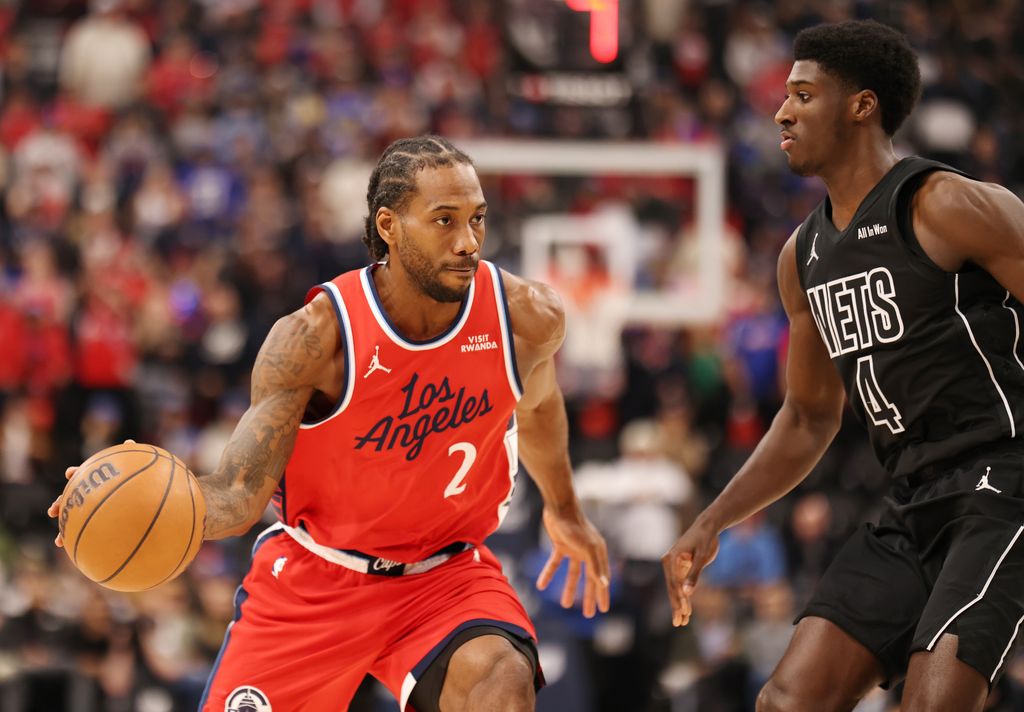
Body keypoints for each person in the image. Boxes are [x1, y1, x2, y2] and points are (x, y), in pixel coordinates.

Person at [50, 135, 611, 712]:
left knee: (501, 682)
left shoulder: (524, 318)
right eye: (445, 220)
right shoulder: (316, 339)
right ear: (389, 226)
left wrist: (564, 509)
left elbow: (537, 403)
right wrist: (144, 503)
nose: (468, 241)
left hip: (444, 578)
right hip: (315, 580)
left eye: (477, 219)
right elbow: (240, 494)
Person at [662, 20, 1024, 712]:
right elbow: (807, 418)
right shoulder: (801, 257)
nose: (780, 110)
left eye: (802, 94)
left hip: (1002, 484)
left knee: (934, 702)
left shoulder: (944, 204)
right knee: (786, 701)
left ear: (861, 105)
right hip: (910, 497)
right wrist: (713, 519)